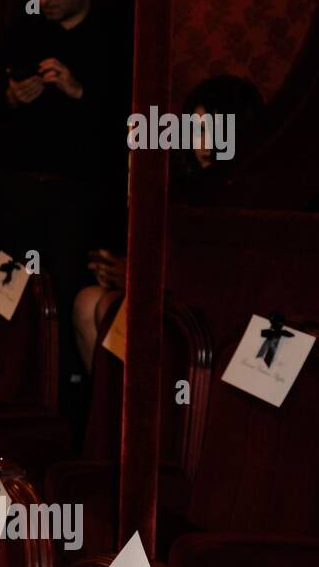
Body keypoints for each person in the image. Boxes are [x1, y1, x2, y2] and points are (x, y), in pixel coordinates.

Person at [0, 0, 133, 400]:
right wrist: (11, 97)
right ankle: (3, 396)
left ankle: (70, 410)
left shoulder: (116, 34)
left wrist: (79, 91)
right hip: (16, 198)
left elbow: (133, 124)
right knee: (4, 299)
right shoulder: (22, 34)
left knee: (68, 304)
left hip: (79, 202)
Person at [72, 75, 265, 372]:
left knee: (105, 308)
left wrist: (140, 277)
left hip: (215, 313)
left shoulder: (245, 192)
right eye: (196, 130)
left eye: (213, 130)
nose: (201, 143)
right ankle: (107, 414)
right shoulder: (184, 181)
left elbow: (217, 277)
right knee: (88, 301)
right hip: (172, 296)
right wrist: (119, 269)